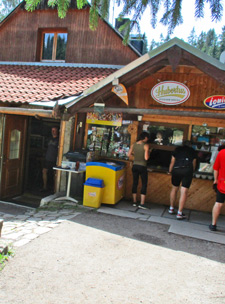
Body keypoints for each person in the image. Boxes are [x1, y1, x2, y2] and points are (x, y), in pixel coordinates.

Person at [168, 140, 197, 219]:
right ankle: (179, 213)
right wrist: (192, 171)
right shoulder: (193, 151)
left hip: (176, 170)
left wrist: (170, 171)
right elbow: (194, 163)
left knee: (174, 188)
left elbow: (172, 162)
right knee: (184, 191)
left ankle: (171, 208)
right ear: (190, 145)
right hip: (187, 171)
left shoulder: (177, 149)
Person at [128, 131, 150, 209]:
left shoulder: (133, 145)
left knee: (135, 183)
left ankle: (134, 201)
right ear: (145, 138)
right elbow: (146, 158)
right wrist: (149, 153)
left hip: (135, 165)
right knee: (144, 183)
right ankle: (142, 203)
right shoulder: (146, 145)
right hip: (142, 166)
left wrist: (135, 156)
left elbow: (129, 154)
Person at [209, 145, 225, 231]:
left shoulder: (222, 153)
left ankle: (213, 224)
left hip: (222, 183)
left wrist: (215, 180)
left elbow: (216, 168)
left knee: (218, 203)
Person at [42, 126, 59, 192]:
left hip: (54, 159)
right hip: (47, 158)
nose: (53, 132)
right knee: (44, 171)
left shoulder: (59, 139)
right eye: (52, 130)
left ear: (57, 131)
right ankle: (44, 187)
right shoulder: (49, 139)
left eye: (54, 130)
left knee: (55, 173)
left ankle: (55, 189)